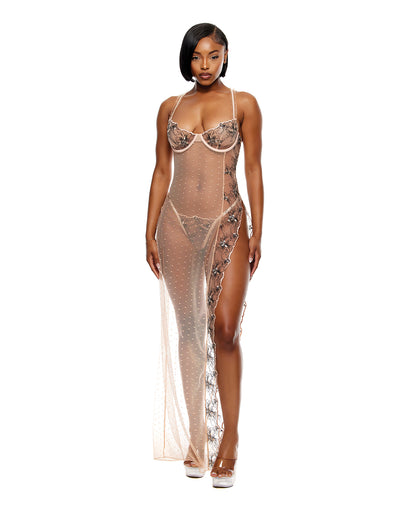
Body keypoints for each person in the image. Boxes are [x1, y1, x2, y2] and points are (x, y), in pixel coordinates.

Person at [145, 22, 264, 488]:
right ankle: (198, 441)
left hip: (227, 221)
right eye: (197, 57)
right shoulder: (170, 108)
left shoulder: (243, 104)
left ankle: (229, 441)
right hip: (175, 224)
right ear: (187, 59)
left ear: (226, 55)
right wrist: (148, 229)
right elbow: (161, 171)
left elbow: (253, 168)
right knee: (191, 331)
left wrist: (259, 230)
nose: (205, 65)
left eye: (213, 55)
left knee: (225, 330)